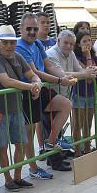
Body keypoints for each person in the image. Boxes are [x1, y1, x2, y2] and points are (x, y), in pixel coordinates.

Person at [16, 13, 75, 180]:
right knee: (29, 132)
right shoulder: (19, 47)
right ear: (21, 29)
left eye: (35, 28)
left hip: (41, 88)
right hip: (27, 91)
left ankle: (51, 141)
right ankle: (33, 168)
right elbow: (34, 72)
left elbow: (48, 64)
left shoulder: (37, 44)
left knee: (65, 104)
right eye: (29, 29)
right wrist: (59, 79)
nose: (32, 32)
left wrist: (63, 77)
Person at [0, 25, 38, 191]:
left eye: (12, 42)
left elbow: (32, 74)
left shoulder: (18, 56)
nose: (9, 46)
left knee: (20, 144)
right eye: (5, 42)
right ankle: (8, 179)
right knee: (2, 146)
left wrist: (37, 82)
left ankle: (17, 177)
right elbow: (6, 81)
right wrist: (31, 87)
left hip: (16, 107)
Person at [47, 30, 97, 155]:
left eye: (71, 44)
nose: (69, 46)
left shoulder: (71, 54)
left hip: (63, 97)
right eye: (66, 43)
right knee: (50, 131)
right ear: (58, 41)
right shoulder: (51, 54)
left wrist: (89, 71)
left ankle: (59, 159)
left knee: (58, 132)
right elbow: (62, 74)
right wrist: (85, 73)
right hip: (50, 97)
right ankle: (55, 160)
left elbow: (80, 70)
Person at [71, 31, 97, 155]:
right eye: (84, 41)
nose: (88, 43)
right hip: (79, 93)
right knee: (78, 124)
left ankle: (87, 149)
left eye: (89, 40)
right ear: (78, 44)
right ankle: (77, 151)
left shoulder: (94, 57)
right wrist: (88, 55)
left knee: (88, 124)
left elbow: (95, 73)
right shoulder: (76, 58)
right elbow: (88, 77)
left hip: (91, 94)